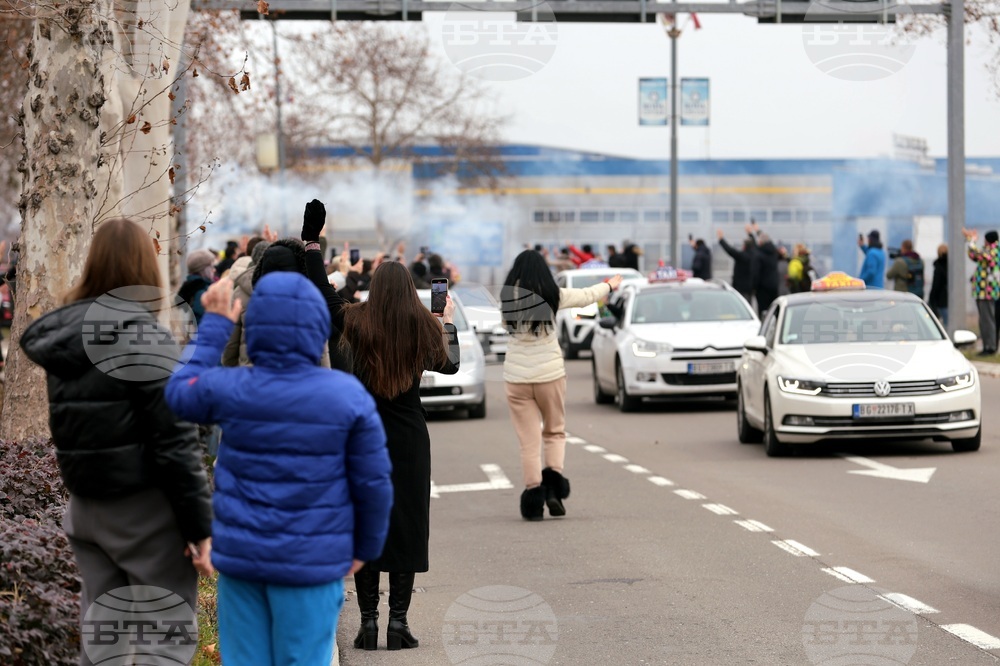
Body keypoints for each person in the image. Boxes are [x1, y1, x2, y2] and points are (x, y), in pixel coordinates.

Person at [164, 274, 393, 665]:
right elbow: (374, 484)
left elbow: (179, 392)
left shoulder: (234, 388)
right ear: (318, 325)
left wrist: (216, 325)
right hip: (313, 562)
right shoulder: (346, 395)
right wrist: (365, 548)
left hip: (243, 561)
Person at [19, 218, 214, 666]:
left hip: (86, 509)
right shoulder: (144, 338)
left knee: (102, 644)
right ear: (144, 267)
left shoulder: (65, 338)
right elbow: (175, 442)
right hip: (144, 512)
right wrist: (200, 528)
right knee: (161, 644)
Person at [339, 260, 460, 652]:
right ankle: (398, 623)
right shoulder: (423, 323)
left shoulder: (356, 321)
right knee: (408, 522)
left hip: (364, 436)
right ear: (410, 289)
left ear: (374, 288)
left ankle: (368, 623)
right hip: (409, 438)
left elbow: (326, 299)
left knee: (366, 523)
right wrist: (445, 321)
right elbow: (450, 364)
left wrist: (311, 246)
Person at [500, 249, 624, 521]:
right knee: (554, 432)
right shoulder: (553, 295)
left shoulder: (507, 298)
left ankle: (533, 498)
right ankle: (553, 487)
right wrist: (609, 285)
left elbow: (504, 324)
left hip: (517, 379)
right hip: (550, 375)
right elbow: (586, 297)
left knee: (528, 442)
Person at [221, 239, 270, 367]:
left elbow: (231, 339)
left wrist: (230, 367)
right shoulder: (284, 289)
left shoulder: (238, 292)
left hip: (246, 370)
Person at [963, 228, 999, 356]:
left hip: (988, 291)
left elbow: (979, 254)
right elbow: (974, 256)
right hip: (981, 291)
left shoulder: (994, 251)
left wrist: (971, 240)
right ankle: (987, 346)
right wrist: (970, 241)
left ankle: (990, 347)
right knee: (984, 320)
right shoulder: (989, 251)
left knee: (988, 319)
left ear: (988, 240)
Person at [716, 226, 757, 303]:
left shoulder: (743, 256)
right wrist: (750, 234)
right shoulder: (754, 255)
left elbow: (730, 250)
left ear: (744, 246)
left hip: (741, 288)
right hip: (750, 287)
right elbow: (754, 244)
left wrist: (721, 239)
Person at [178, 248, 216, 326]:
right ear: (205, 269)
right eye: (212, 267)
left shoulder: (190, 287)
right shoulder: (202, 291)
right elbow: (202, 322)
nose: (214, 270)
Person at [750, 223, 780, 316]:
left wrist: (754, 287)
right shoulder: (774, 251)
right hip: (774, 286)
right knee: (774, 311)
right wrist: (757, 230)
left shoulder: (759, 255)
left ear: (760, 242)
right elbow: (767, 240)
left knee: (763, 312)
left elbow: (756, 273)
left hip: (762, 289)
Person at [928, 244, 948, 326]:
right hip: (949, 301)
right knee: (948, 323)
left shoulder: (939, 267)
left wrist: (931, 299)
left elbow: (935, 286)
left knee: (943, 325)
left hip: (941, 301)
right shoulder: (952, 266)